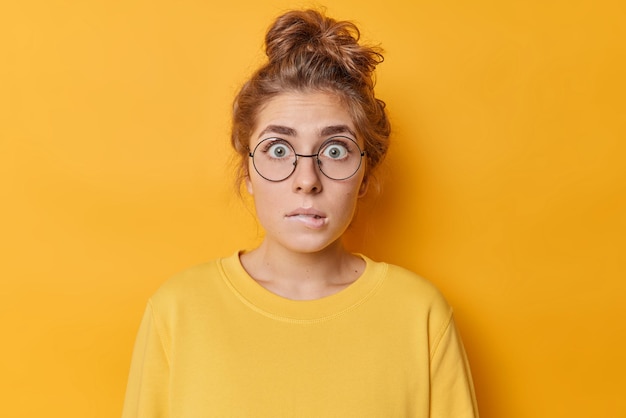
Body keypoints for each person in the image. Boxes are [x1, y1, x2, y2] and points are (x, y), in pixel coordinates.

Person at [122, 9, 479, 418]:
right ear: (248, 173)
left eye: (334, 150)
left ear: (364, 176)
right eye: (278, 150)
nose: (307, 180)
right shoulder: (178, 310)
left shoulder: (421, 316)